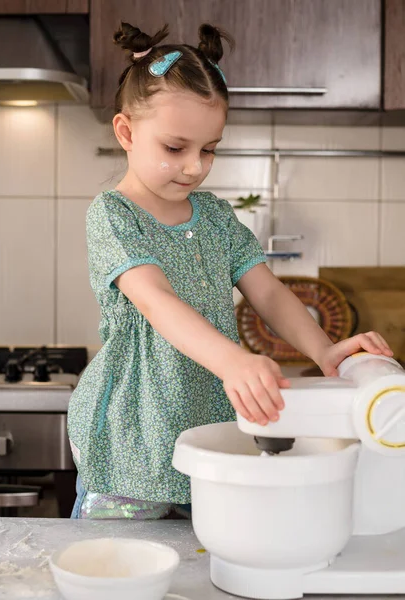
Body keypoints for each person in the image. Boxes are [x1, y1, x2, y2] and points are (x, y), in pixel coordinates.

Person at [68, 21, 393, 520]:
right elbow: (157, 301)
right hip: (133, 435)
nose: (196, 167)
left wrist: (323, 350)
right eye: (176, 149)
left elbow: (269, 294)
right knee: (121, 565)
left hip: (208, 429)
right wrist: (233, 361)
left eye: (210, 149)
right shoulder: (113, 214)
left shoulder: (216, 217)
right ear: (126, 132)